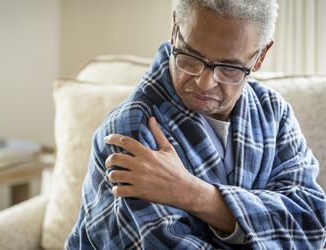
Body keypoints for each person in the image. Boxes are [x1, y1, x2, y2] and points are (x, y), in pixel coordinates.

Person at [66, 0, 326, 249]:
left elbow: (313, 223)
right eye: (191, 57)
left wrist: (193, 193)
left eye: (229, 68)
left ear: (259, 57)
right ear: (175, 29)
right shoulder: (131, 132)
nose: (204, 83)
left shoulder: (273, 111)